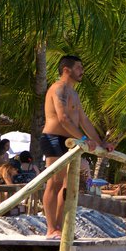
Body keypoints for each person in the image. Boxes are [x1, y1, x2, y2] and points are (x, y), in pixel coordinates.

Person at [40, 55, 113, 239]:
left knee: (68, 185)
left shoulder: (74, 93)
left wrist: (99, 142)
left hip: (71, 141)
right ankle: (51, 228)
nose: (82, 71)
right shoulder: (59, 89)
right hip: (54, 138)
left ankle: (59, 227)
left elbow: (83, 120)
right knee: (55, 182)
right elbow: (63, 118)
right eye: (79, 67)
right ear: (66, 69)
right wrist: (82, 139)